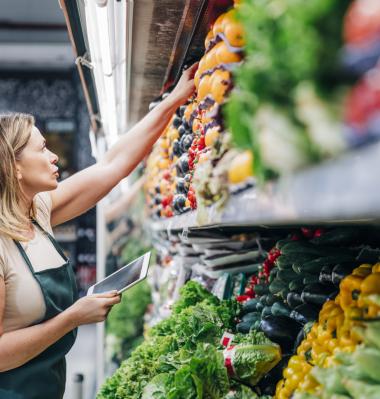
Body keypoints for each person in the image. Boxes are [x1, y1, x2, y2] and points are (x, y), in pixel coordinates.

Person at [0, 64, 197, 399]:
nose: (53, 157)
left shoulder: (38, 212)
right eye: (41, 148)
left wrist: (173, 101)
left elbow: (112, 165)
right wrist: (71, 318)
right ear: (15, 166)